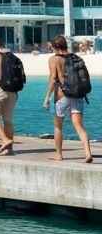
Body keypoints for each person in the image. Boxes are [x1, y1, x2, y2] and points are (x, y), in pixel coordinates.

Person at [43, 34, 93, 163]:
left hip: (62, 95)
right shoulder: (76, 57)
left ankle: (59, 154)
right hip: (77, 93)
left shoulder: (54, 59)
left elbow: (53, 79)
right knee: (79, 125)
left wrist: (47, 97)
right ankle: (87, 153)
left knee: (58, 126)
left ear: (55, 47)